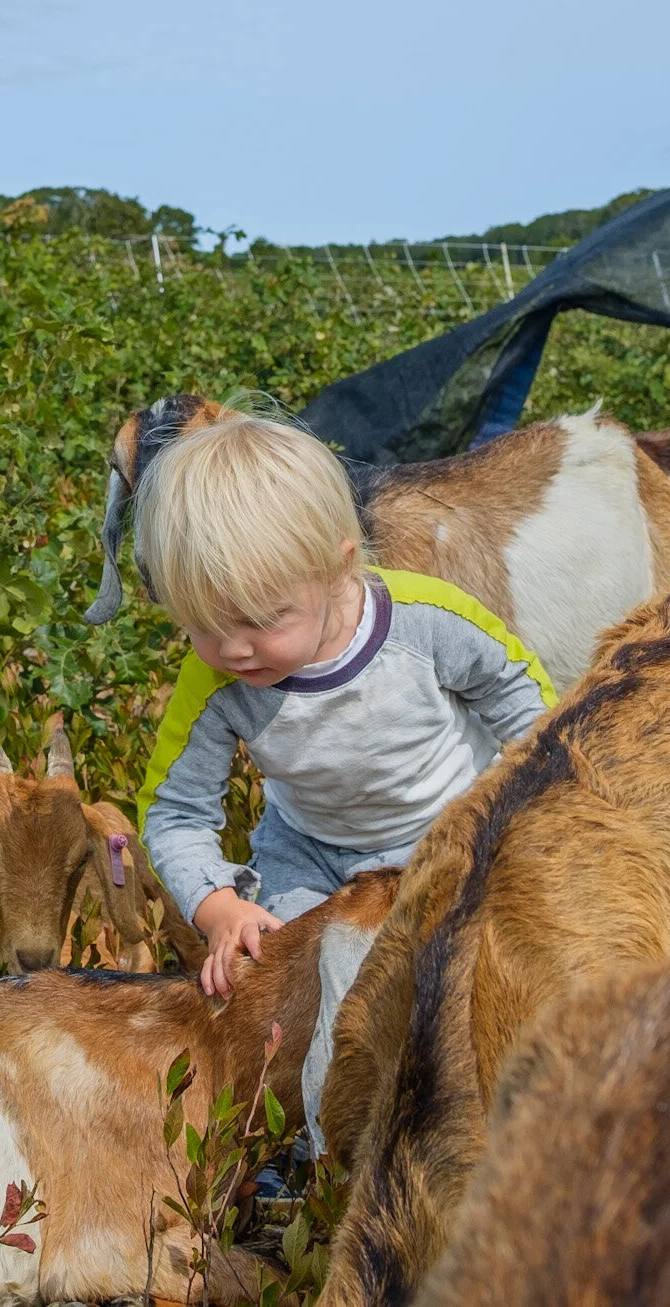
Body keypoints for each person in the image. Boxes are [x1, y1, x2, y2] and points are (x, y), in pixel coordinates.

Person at [133, 410, 556, 1000]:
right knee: (293, 991)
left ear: (337, 567)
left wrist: (535, 806)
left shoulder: (426, 621)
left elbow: (522, 699)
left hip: (455, 824)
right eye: (199, 625)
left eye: (260, 620)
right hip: (310, 857)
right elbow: (176, 813)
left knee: (473, 984)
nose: (231, 649)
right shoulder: (213, 681)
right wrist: (220, 909)